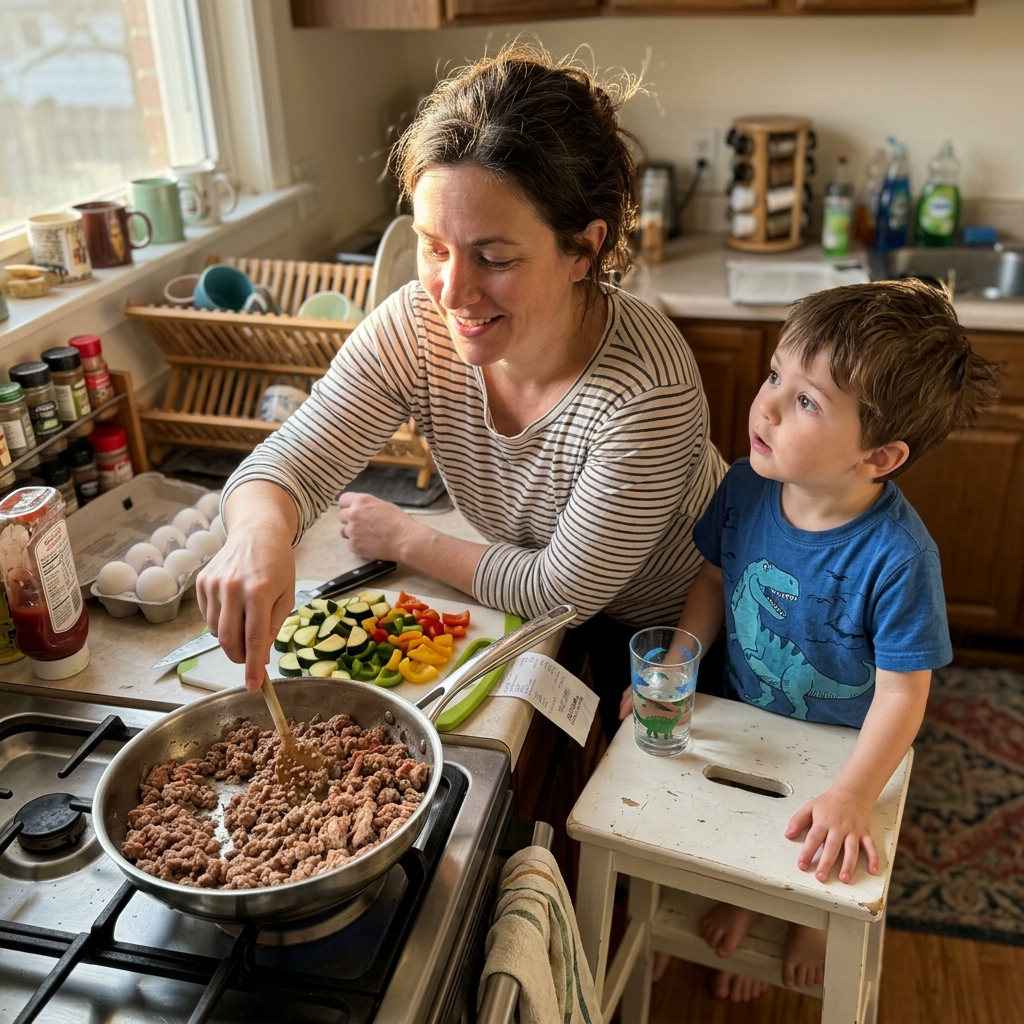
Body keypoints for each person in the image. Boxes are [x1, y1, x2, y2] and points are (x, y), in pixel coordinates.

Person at [197, 46, 726, 729]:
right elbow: (288, 462)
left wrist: (408, 540)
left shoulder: (647, 393)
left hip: (692, 634)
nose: (452, 292)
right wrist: (256, 535)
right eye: (434, 247)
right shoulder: (415, 327)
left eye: (494, 257)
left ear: (584, 250)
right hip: (574, 615)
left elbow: (559, 590)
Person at [619, 279, 1001, 1001]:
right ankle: (740, 891)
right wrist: (678, 667)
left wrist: (855, 793)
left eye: (806, 401)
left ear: (878, 457)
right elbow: (709, 580)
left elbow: (903, 692)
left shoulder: (899, 557)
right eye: (775, 375)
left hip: (840, 745)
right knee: (732, 815)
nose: (765, 404)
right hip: (744, 704)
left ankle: (807, 921)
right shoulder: (744, 486)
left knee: (820, 844)